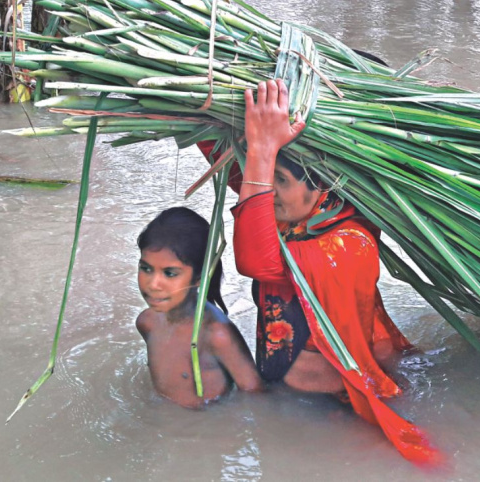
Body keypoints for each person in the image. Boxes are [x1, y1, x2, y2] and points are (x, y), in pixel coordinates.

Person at [197, 79, 440, 464]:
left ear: (325, 184)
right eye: (268, 175)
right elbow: (241, 176)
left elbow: (256, 261)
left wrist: (262, 148)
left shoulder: (348, 241)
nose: (266, 190)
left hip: (333, 401)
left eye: (281, 179)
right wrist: (206, 101)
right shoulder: (294, 210)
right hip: (288, 391)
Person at [135, 207, 263, 408]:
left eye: (169, 273)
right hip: (167, 428)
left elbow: (255, 395)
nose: (153, 284)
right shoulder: (147, 323)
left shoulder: (217, 336)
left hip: (207, 429)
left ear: (199, 277)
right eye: (146, 269)